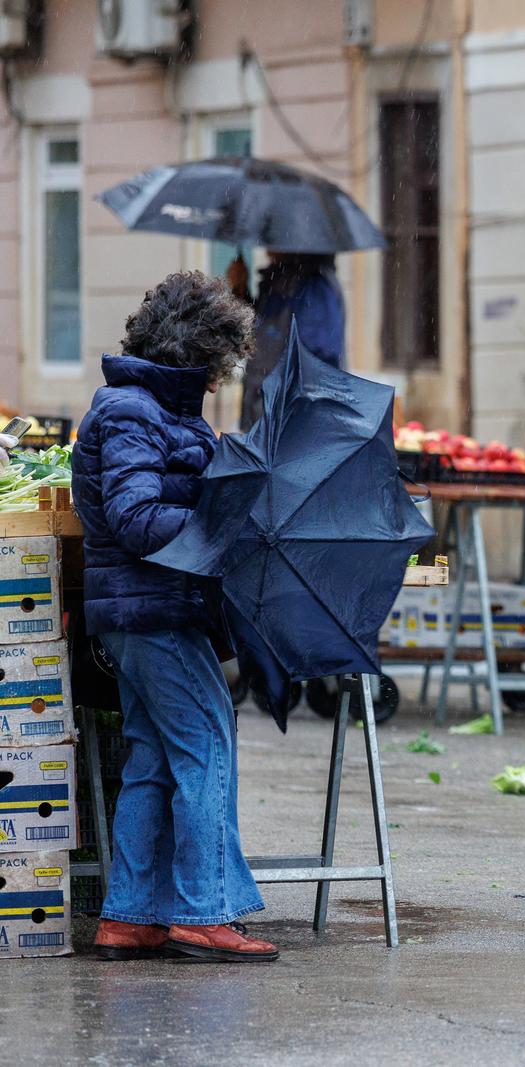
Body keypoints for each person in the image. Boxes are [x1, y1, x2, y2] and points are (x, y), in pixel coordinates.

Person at [76, 271, 279, 964]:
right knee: (207, 745)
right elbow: (134, 516)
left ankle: (130, 915)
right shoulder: (133, 410)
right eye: (221, 360)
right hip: (153, 612)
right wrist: (214, 526)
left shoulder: (161, 412)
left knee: (155, 757)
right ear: (197, 351)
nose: (223, 377)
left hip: (143, 611)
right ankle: (203, 909)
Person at [235, 252, 345, 428]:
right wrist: (240, 291)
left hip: (289, 421)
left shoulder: (313, 287)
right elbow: (263, 333)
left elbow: (317, 358)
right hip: (266, 413)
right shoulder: (278, 281)